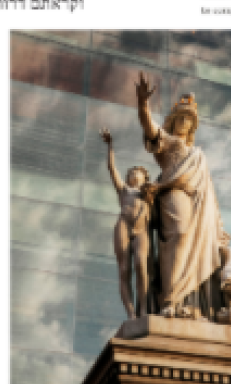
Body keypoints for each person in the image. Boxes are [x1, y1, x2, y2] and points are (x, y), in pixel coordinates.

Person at [134, 72, 231, 320]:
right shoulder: (167, 142)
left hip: (198, 205)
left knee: (196, 245)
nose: (185, 123)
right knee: (178, 236)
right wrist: (143, 103)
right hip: (173, 194)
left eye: (189, 119)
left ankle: (187, 304)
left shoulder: (198, 154)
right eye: (182, 118)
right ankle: (170, 300)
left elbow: (211, 195)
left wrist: (218, 228)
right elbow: (149, 126)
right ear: (174, 121)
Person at [100, 127, 156, 319]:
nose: (132, 174)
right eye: (130, 172)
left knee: (141, 264)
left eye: (136, 172)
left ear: (143, 176)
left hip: (141, 229)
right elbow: (111, 168)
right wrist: (110, 145)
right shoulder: (124, 190)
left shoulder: (149, 192)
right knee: (124, 269)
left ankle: (142, 309)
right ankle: (131, 313)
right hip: (123, 225)